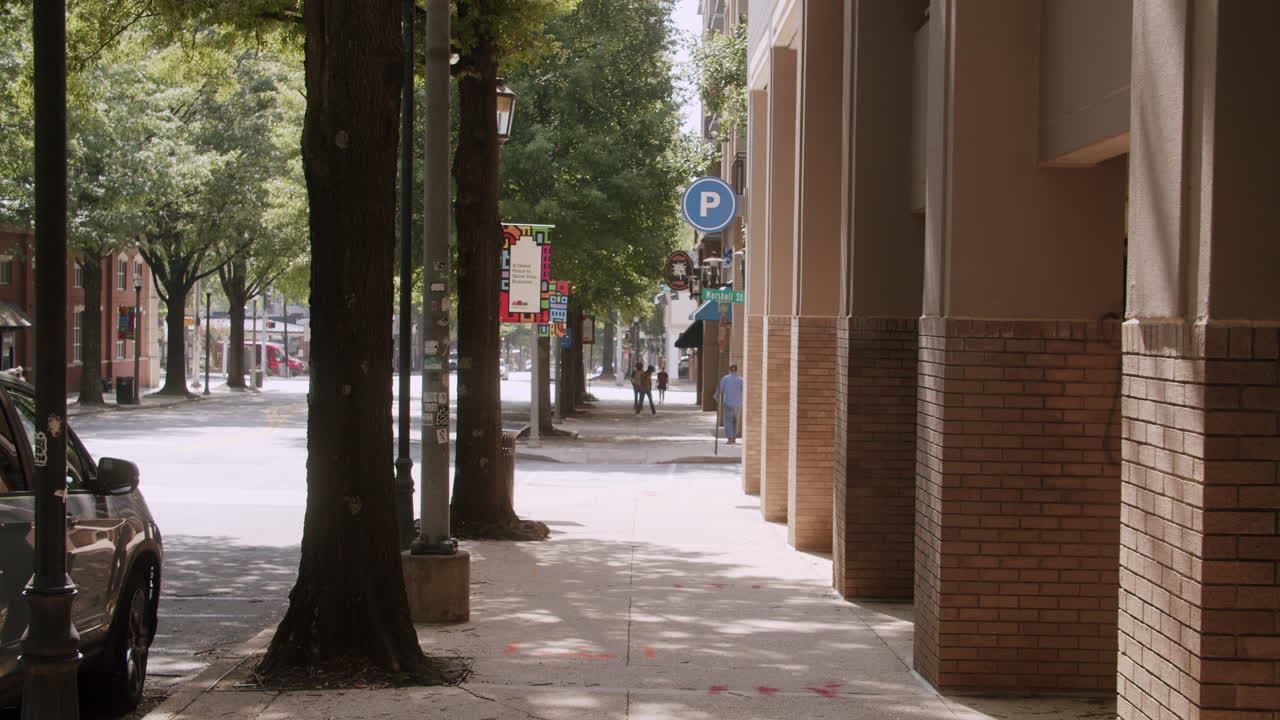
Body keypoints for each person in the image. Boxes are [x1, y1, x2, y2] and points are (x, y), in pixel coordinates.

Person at [714, 363, 745, 444]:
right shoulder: (741, 380)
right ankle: (734, 438)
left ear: (729, 370)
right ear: (737, 370)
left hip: (728, 404)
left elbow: (720, 389)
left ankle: (730, 438)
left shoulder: (725, 379)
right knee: (736, 421)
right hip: (738, 404)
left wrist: (716, 396)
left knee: (728, 421)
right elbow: (745, 391)